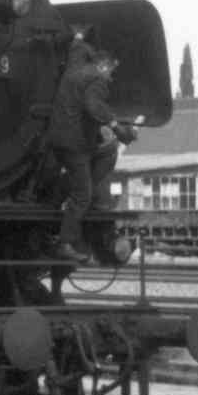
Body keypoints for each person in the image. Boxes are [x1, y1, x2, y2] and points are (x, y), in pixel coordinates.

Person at [48, 45, 142, 263]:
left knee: (107, 150)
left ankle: (60, 196)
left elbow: (76, 48)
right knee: (83, 193)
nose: (111, 77)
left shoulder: (74, 69)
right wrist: (118, 128)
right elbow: (93, 105)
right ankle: (65, 243)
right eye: (111, 71)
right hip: (75, 144)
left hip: (58, 138)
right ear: (104, 65)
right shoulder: (97, 79)